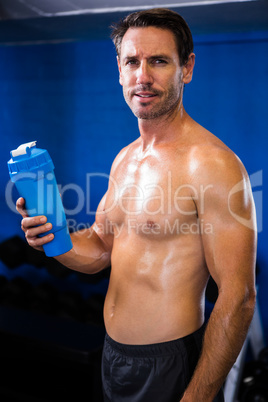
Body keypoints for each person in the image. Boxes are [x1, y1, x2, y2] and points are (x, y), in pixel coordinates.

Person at [17, 8, 257, 402]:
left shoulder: (212, 165)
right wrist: (53, 236)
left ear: (187, 68)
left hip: (170, 365)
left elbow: (239, 294)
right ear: (119, 70)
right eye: (133, 61)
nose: (142, 76)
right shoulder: (125, 158)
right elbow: (99, 249)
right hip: (113, 356)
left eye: (159, 61)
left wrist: (196, 397)